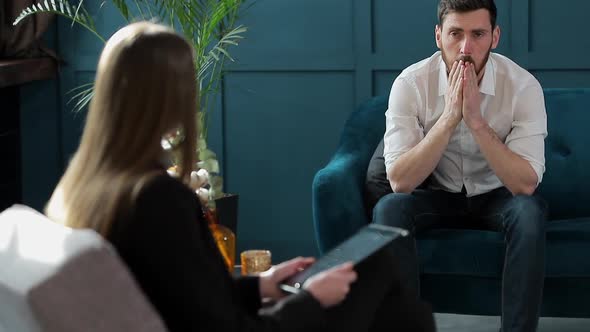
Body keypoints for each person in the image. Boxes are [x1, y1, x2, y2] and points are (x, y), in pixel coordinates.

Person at [45, 22, 435, 332]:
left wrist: (262, 284)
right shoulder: (157, 199)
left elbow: (183, 295)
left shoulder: (81, 190)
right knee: (376, 273)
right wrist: (310, 300)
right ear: (169, 98)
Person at [372, 0, 548, 331]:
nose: (466, 47)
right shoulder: (410, 84)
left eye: (478, 34)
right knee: (390, 208)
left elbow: (524, 185)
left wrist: (477, 122)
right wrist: (450, 117)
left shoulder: (523, 86)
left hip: (498, 194)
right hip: (438, 193)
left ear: (495, 37)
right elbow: (400, 182)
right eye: (455, 33)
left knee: (529, 211)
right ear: (438, 35)